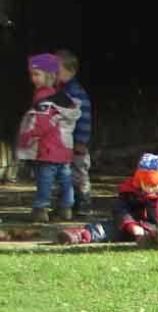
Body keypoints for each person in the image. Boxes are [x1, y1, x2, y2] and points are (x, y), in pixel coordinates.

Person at [15, 53, 78, 221]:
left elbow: (42, 122)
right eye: (31, 74)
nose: (33, 79)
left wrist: (28, 135)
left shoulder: (43, 97)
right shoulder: (62, 97)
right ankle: (66, 208)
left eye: (37, 74)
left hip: (48, 148)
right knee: (65, 180)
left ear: (49, 75)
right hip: (64, 148)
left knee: (45, 180)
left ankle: (41, 209)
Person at [54, 51, 91, 215]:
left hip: (76, 141)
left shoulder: (76, 93)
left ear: (71, 71)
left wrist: (81, 141)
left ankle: (83, 202)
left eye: (57, 70)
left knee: (79, 172)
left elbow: (84, 118)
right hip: (62, 141)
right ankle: (67, 202)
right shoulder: (57, 91)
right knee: (64, 172)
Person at [111, 153, 158, 242]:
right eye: (146, 183)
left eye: (153, 184)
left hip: (155, 230)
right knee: (107, 229)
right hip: (130, 227)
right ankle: (82, 235)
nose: (149, 188)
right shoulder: (129, 192)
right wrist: (130, 225)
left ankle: (148, 238)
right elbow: (119, 209)